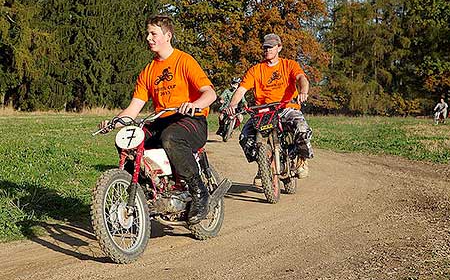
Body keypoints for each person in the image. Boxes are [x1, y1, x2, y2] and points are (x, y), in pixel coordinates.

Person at [98, 15, 217, 224]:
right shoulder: (148, 71)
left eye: (153, 33)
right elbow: (133, 108)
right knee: (127, 139)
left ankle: (199, 192)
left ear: (168, 36)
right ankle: (144, 192)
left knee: (171, 137)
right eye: (148, 33)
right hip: (161, 120)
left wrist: (194, 105)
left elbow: (210, 94)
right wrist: (113, 123)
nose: (148, 38)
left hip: (191, 119)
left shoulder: (184, 60)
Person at [225, 33, 313, 179]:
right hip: (263, 112)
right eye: (265, 47)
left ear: (279, 48)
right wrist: (232, 104)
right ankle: (264, 167)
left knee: (302, 129)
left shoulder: (289, 65)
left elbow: (301, 78)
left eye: (271, 47)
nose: (267, 50)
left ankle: (301, 160)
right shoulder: (255, 70)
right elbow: (241, 89)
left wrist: (303, 91)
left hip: (286, 108)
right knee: (245, 138)